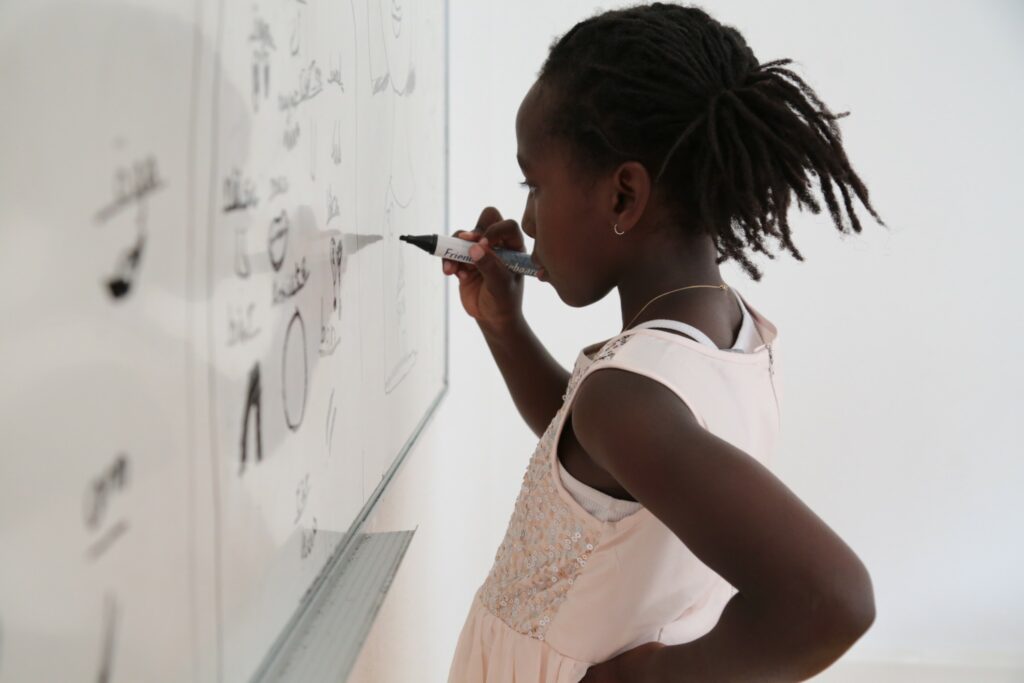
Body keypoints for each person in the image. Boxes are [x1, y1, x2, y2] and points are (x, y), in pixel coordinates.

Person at [444, 3, 884, 681]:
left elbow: (833, 601)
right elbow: (595, 472)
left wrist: (631, 678)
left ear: (624, 196)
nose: (527, 219)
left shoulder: (627, 400)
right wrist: (505, 327)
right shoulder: (725, 332)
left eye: (534, 184)